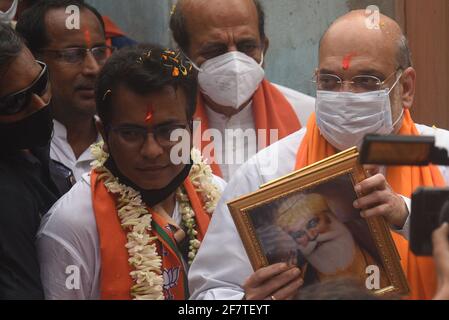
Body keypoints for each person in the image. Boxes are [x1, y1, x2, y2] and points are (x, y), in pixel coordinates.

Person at [188, 10, 449, 300]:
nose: (345, 95)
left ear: (406, 87)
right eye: (330, 81)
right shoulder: (266, 173)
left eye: (366, 80)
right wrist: (250, 303)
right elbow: (207, 296)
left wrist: (407, 215)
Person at [37, 45, 226, 300]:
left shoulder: (219, 197)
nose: (151, 151)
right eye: (130, 134)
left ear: (190, 129)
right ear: (104, 134)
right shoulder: (71, 226)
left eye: (168, 131)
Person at [170, 0, 315, 181]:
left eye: (246, 46)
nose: (234, 62)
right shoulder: (166, 128)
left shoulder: (308, 119)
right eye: (215, 50)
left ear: (264, 48)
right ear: (183, 57)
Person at [0, 24, 71, 299]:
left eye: (40, 83)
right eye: (13, 103)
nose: (39, 105)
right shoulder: (7, 196)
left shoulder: (33, 152)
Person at [16, 0, 112, 181]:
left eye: (99, 52)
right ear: (32, 61)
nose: (93, 69)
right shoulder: (17, 150)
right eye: (72, 54)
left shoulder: (125, 145)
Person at [276, 193, 388, 288]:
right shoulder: (303, 281)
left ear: (332, 215)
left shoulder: (373, 239)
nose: (311, 236)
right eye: (299, 234)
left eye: (313, 223)